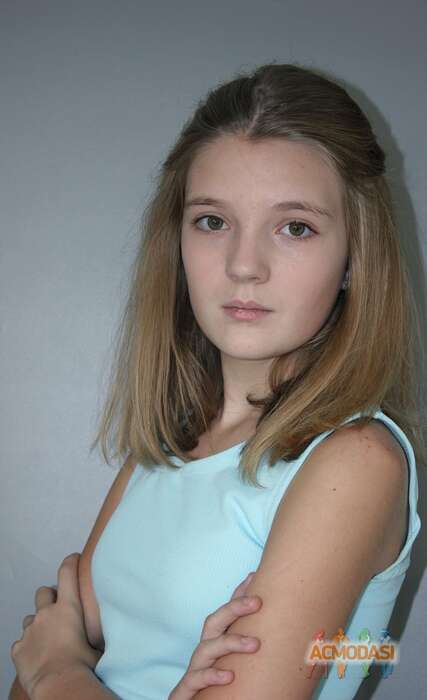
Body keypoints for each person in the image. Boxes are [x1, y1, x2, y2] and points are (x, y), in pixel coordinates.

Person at [10, 61, 425, 700]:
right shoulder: (166, 448)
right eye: (212, 221)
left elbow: (42, 662)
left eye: (295, 227)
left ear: (354, 258)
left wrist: (57, 671)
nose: (243, 265)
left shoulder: (356, 462)